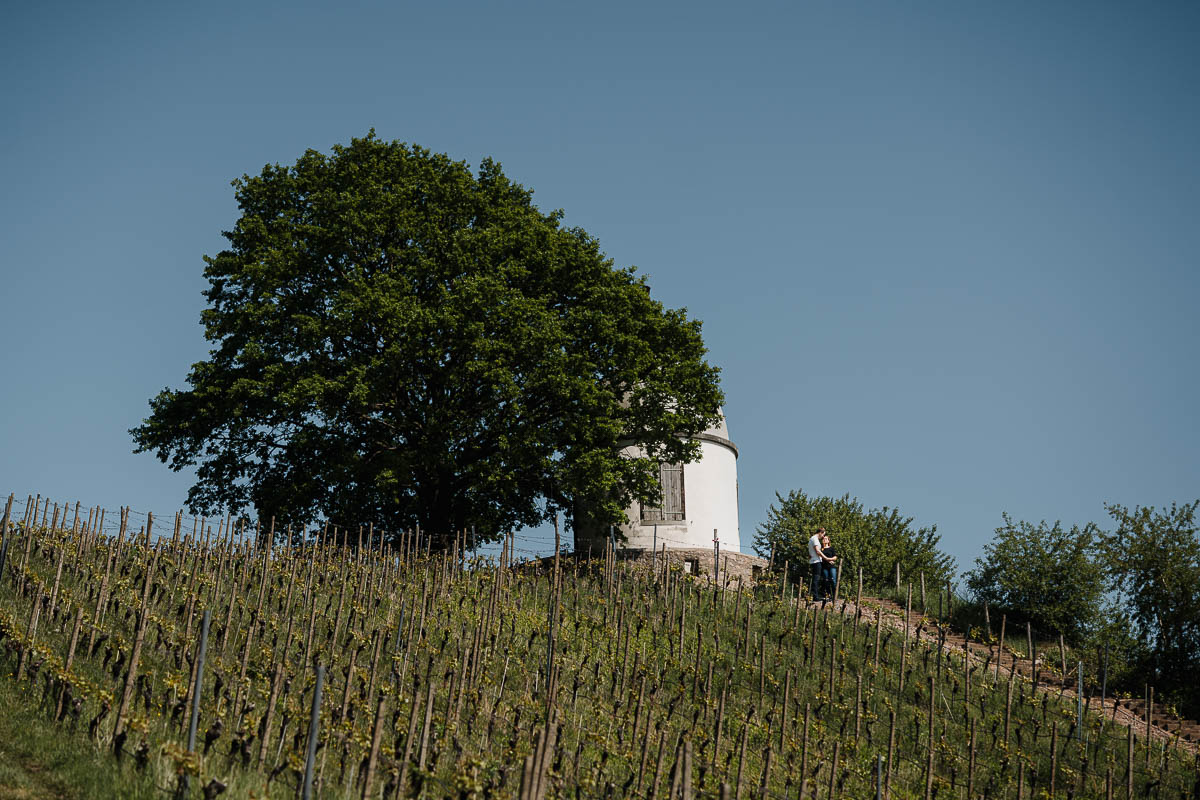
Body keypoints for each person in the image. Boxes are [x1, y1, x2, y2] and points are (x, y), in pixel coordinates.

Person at [807, 527, 828, 601]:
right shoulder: (815, 539)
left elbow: (810, 552)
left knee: (821, 577)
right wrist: (826, 558)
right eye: (823, 535)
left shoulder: (812, 539)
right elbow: (817, 551)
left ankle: (819, 594)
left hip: (814, 560)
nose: (823, 537)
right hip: (816, 561)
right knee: (816, 578)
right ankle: (815, 596)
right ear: (820, 532)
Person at [819, 530, 839, 601]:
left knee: (833, 580)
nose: (824, 540)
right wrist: (828, 560)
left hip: (831, 567)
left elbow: (835, 557)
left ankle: (834, 595)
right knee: (826, 580)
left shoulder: (831, 548)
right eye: (823, 539)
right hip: (824, 567)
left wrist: (829, 559)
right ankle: (829, 595)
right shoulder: (821, 549)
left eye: (826, 539)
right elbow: (820, 557)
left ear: (828, 541)